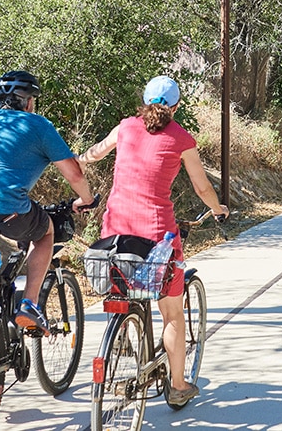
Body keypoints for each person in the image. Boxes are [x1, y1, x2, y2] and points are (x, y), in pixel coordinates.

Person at [78, 75, 228, 406]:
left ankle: (120, 337)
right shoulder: (182, 139)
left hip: (114, 230)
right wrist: (218, 209)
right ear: (175, 106)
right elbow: (202, 188)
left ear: (145, 101)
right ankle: (176, 386)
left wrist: (78, 160)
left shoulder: (125, 128)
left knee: (123, 285)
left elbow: (96, 152)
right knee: (172, 314)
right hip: (156, 236)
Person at [0, 70, 95, 334]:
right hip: (6, 209)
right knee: (46, 231)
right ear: (28, 101)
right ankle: (30, 303)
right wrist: (86, 199)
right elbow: (74, 173)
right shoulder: (38, 125)